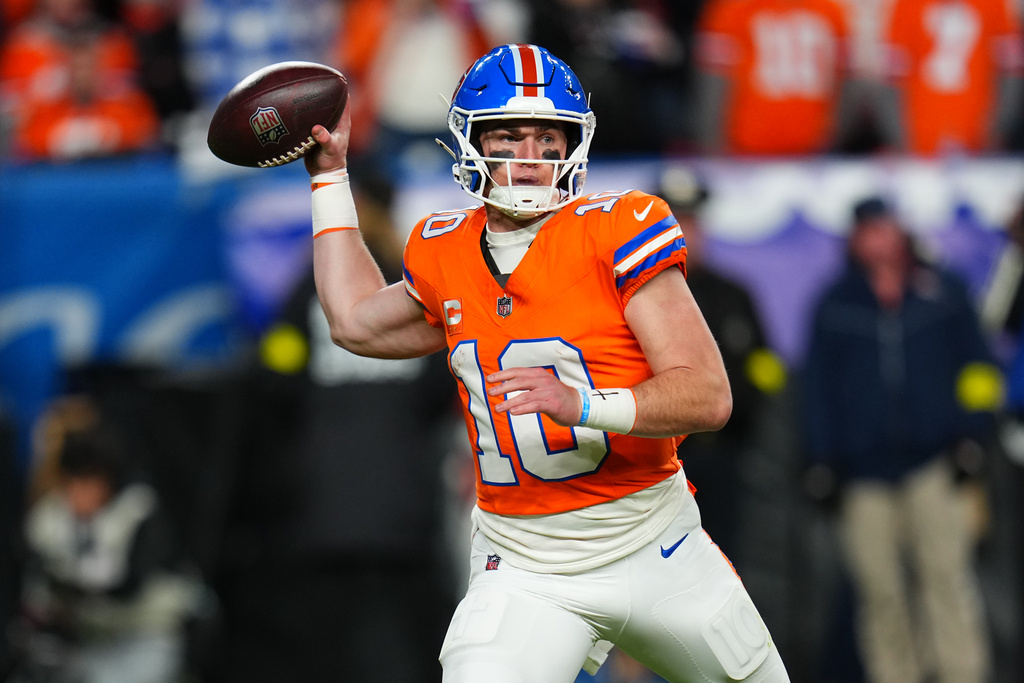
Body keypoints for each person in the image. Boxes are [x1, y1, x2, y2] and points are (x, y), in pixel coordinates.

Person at [303, 43, 790, 682]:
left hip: (654, 543)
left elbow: (707, 395)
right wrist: (328, 178)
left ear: (572, 146)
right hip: (525, 566)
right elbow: (353, 321)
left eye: (546, 138)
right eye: (508, 137)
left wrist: (583, 405)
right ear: (470, 143)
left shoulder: (617, 228)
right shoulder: (443, 250)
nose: (530, 159)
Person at [801, 196, 999, 683]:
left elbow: (978, 367)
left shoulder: (942, 291)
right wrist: (821, 458)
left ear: (902, 232)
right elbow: (818, 389)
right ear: (855, 239)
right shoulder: (836, 302)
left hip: (935, 462)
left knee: (947, 581)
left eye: (886, 227)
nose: (879, 239)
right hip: (862, 472)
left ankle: (963, 674)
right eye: (869, 230)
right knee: (880, 592)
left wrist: (972, 433)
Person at [10, 397, 198, 683]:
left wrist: (70, 587)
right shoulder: (51, 516)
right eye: (73, 481)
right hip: (82, 641)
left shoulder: (137, 511)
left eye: (89, 481)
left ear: (107, 480)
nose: (79, 493)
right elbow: (31, 573)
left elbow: (127, 584)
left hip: (142, 637)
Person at [692, 0, 859, 155]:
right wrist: (713, 145)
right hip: (744, 151)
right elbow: (713, 84)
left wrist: (833, 137)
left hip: (812, 152)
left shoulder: (831, 10)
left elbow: (845, 81)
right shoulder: (734, 8)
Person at [877, 0, 1024, 155]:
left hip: (979, 139)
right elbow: (891, 81)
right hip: (920, 137)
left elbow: (1010, 73)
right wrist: (901, 139)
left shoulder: (993, 4)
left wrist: (997, 131)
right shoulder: (906, 5)